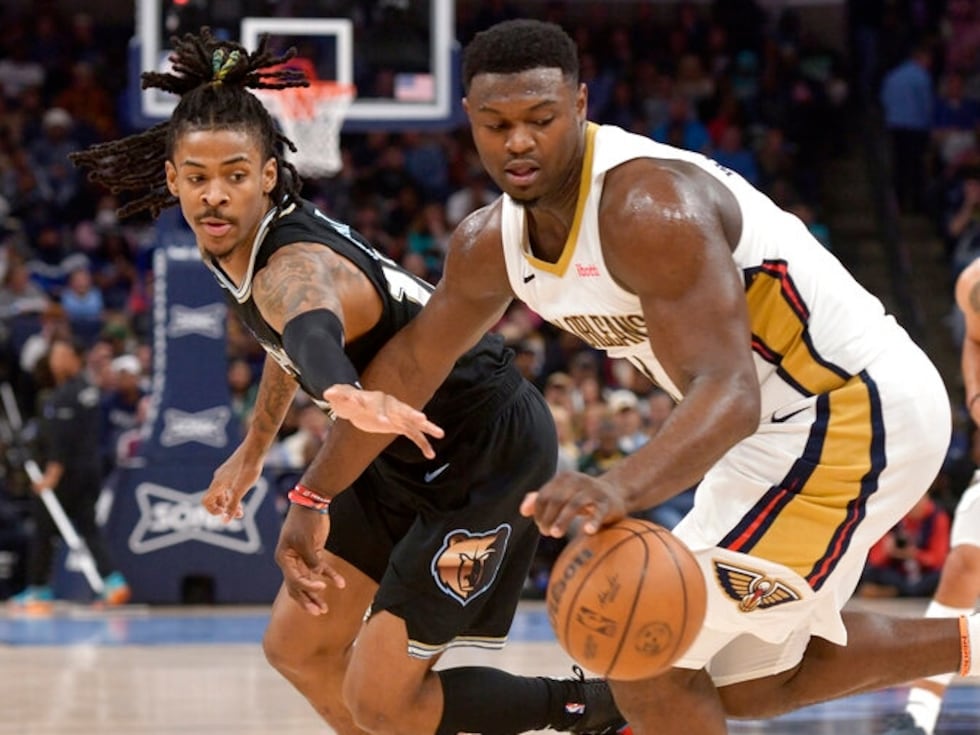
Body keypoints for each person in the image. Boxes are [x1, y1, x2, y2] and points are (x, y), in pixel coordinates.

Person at [290, 19, 979, 734]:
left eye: (540, 119)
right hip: (773, 433)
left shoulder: (647, 207)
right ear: (470, 120)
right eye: (497, 124)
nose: (518, 141)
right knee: (741, 681)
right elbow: (406, 368)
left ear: (582, 105)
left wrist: (614, 484)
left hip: (848, 409)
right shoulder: (488, 242)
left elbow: (729, 393)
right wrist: (316, 490)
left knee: (646, 647)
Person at [68, 28, 624, 735]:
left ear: (269, 174)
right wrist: (254, 444)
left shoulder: (291, 261)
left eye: (235, 175)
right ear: (171, 177)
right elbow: (283, 345)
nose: (215, 195)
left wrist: (336, 388)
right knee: (298, 647)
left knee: (385, 697)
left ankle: (598, 707)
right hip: (386, 446)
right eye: (198, 177)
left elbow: (307, 319)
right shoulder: (236, 243)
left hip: (484, 449)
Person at [886, 259, 980, 735]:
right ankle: (918, 715)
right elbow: (974, 339)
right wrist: (976, 395)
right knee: (964, 567)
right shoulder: (975, 284)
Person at [8, 336, 130, 612]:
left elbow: (64, 439)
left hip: (66, 476)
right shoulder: (86, 390)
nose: (55, 360)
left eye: (61, 354)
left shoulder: (66, 395)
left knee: (42, 530)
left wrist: (51, 474)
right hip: (89, 473)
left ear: (76, 358)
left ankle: (39, 590)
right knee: (88, 528)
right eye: (54, 354)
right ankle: (113, 582)